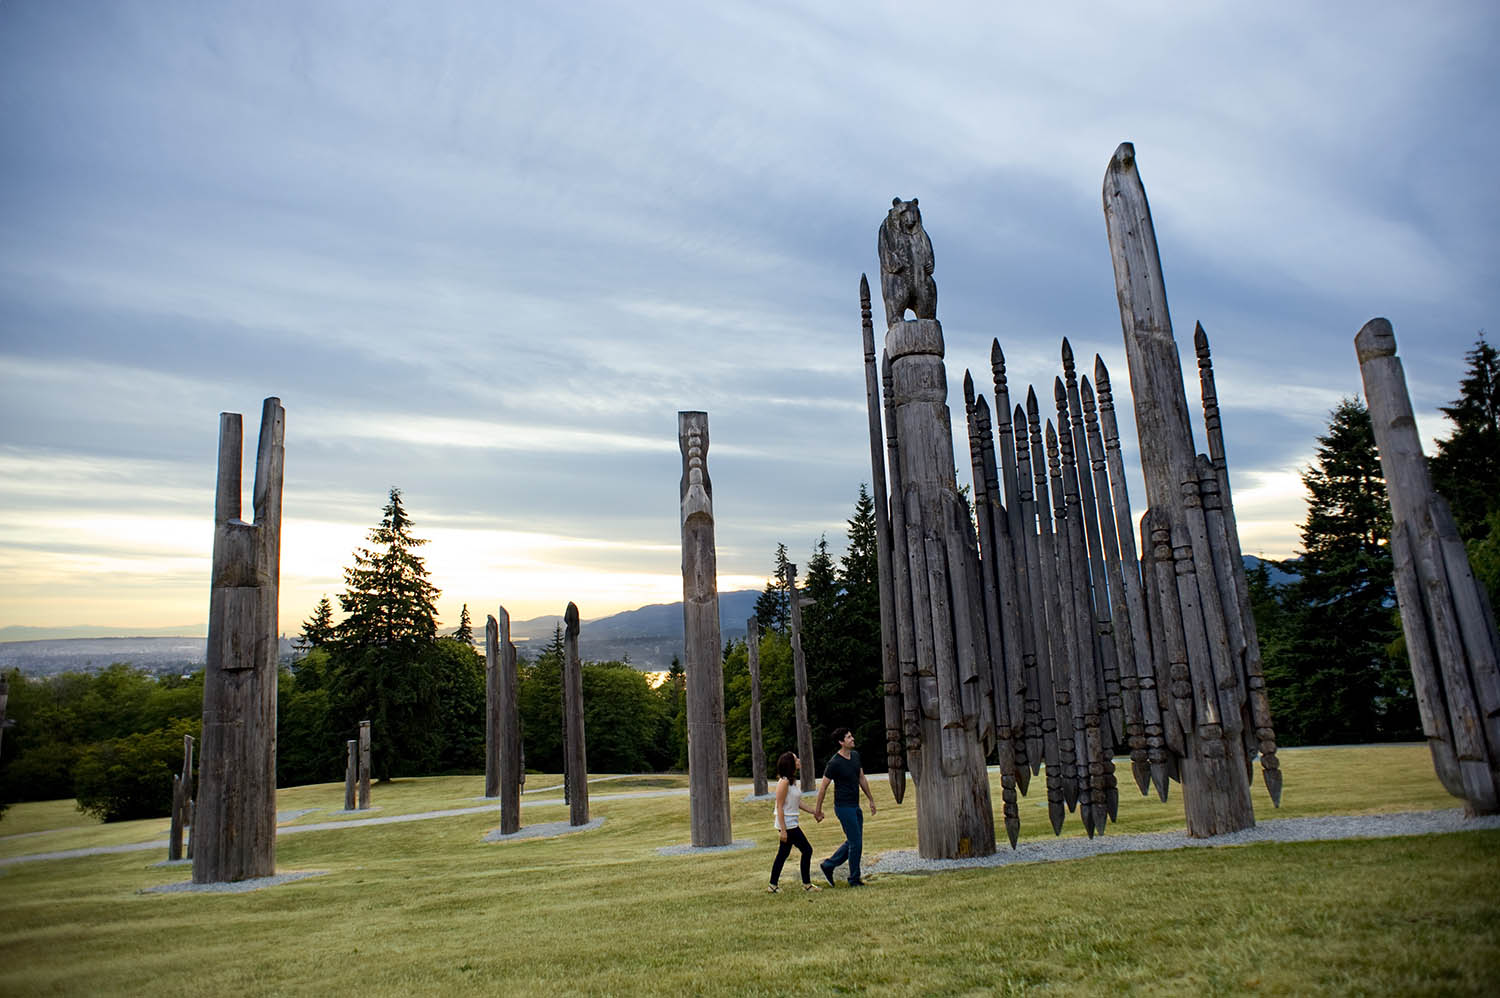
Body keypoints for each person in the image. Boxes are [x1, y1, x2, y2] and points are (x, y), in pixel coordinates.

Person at [813, 727, 877, 887]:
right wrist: (818, 810)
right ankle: (854, 879)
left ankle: (828, 865)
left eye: (851, 735)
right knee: (856, 843)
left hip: (855, 806)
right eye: (849, 737)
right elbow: (823, 787)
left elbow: (861, 778)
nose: (852, 738)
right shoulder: (834, 763)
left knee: (854, 841)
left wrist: (870, 799)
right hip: (843, 807)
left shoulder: (855, 756)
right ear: (841, 742)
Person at [767, 751, 821, 893]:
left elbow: (797, 803)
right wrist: (783, 830)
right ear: (790, 764)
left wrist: (813, 812)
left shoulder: (791, 782)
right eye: (796, 759)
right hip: (788, 825)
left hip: (791, 823)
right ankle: (807, 885)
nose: (799, 760)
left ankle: (772, 885)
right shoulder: (784, 782)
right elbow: (779, 806)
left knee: (783, 854)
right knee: (807, 850)